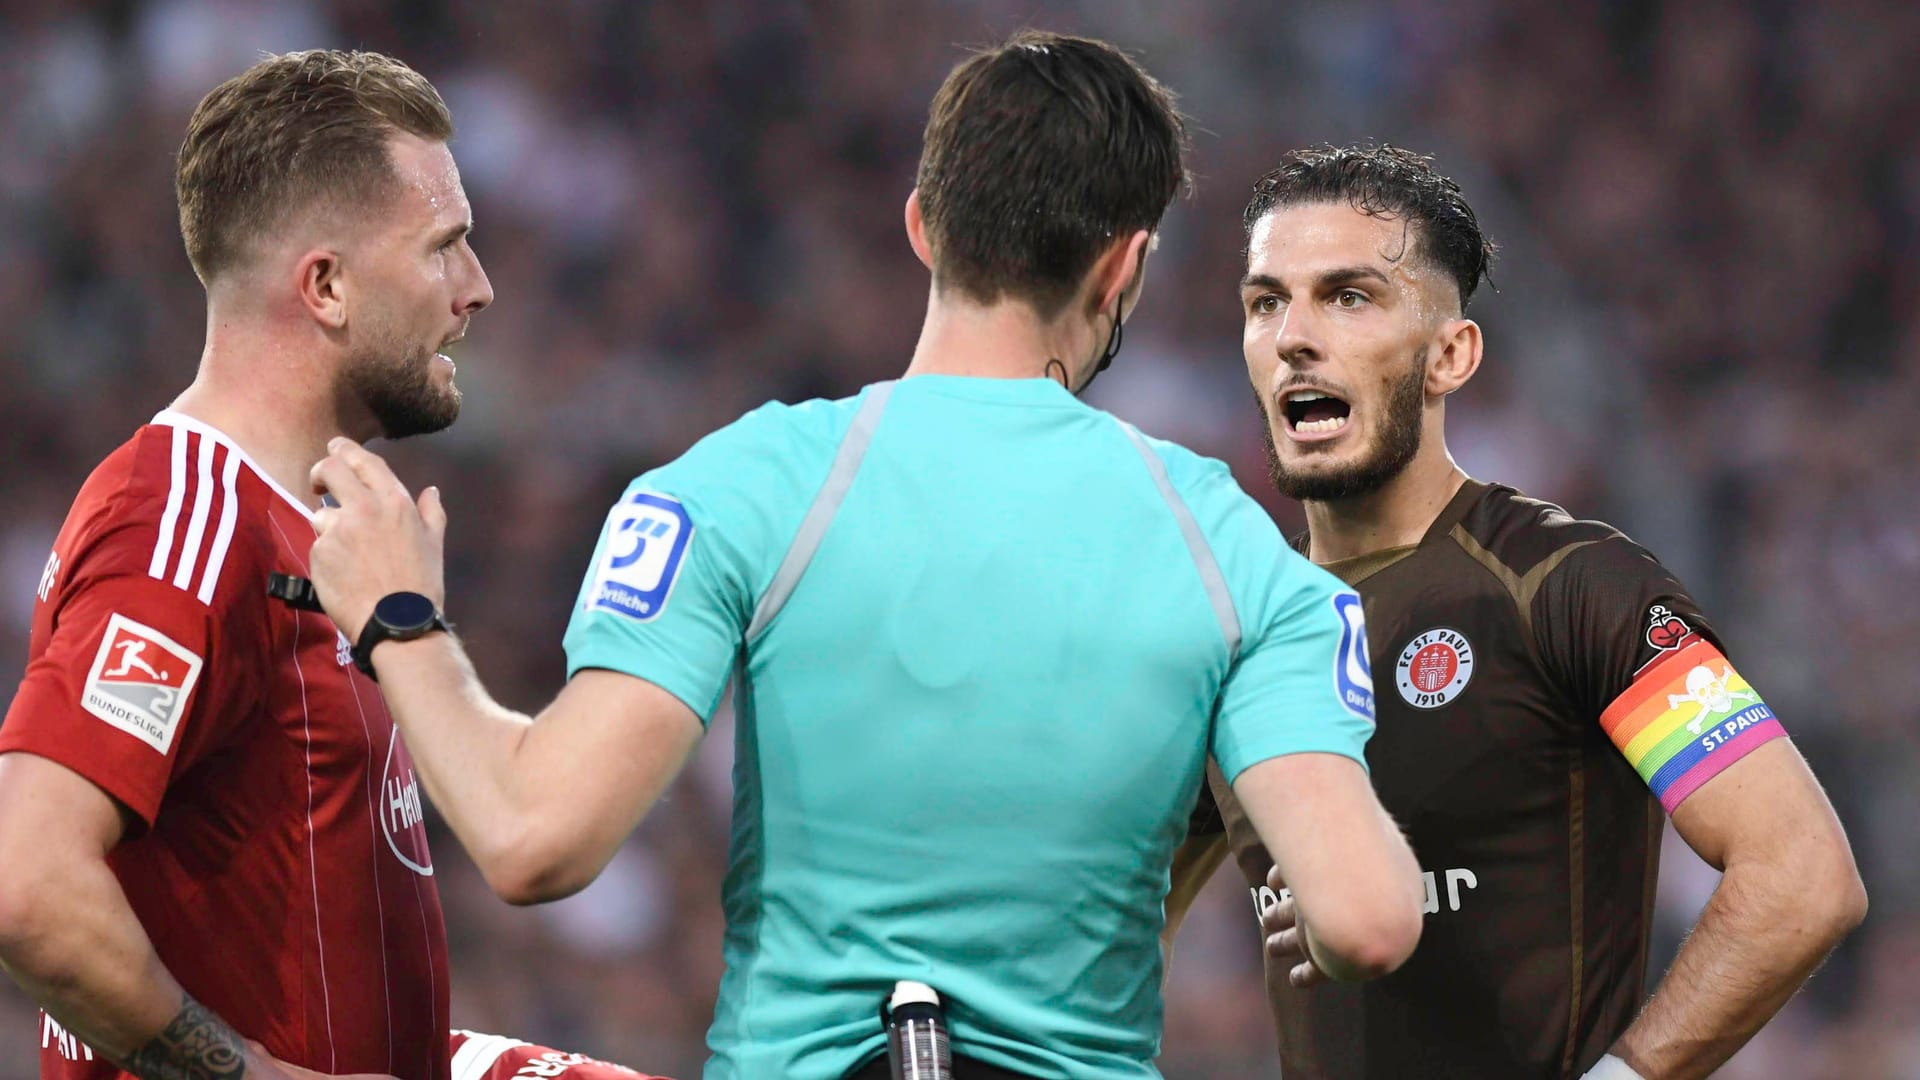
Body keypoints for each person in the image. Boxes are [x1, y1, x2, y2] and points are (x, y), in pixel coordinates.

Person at [299, 32, 1423, 1080]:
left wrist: (403, 617)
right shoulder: (1241, 557)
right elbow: (1367, 918)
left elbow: (534, 838)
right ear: (1124, 267)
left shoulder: (746, 485)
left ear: (925, 224)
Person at [0, 49, 667, 1080]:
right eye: (445, 247)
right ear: (325, 286)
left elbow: (308, 999)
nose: (478, 289)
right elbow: (29, 885)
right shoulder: (185, 526)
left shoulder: (315, 532)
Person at [1168, 143, 1868, 1080]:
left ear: (1449, 355)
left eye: (1348, 297)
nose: (1295, 334)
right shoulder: (1235, 638)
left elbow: (1802, 876)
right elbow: (1111, 921)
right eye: (1266, 302)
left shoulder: (1571, 587)